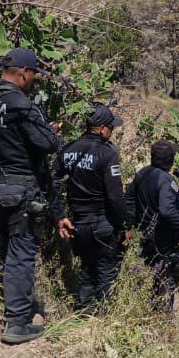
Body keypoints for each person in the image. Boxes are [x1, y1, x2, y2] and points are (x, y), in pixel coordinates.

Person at [0, 48, 73, 344]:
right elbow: (49, 144)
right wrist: (50, 131)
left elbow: (9, 136)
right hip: (20, 189)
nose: (33, 82)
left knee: (10, 247)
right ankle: (17, 322)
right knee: (22, 253)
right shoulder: (19, 103)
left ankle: (14, 309)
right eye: (33, 77)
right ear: (23, 73)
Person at [56, 104, 125, 311]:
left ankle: (84, 312)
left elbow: (52, 183)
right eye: (111, 127)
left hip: (78, 222)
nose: (111, 131)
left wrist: (59, 214)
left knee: (86, 267)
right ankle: (104, 319)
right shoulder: (107, 154)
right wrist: (124, 224)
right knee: (106, 270)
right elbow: (115, 196)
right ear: (102, 129)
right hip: (102, 222)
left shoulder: (67, 150)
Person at [124, 140, 179, 313]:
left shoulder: (142, 173)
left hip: (145, 233)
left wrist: (129, 225)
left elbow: (128, 199)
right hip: (163, 236)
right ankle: (163, 316)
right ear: (170, 160)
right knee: (166, 275)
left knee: (151, 272)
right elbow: (166, 210)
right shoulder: (167, 180)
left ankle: (149, 309)